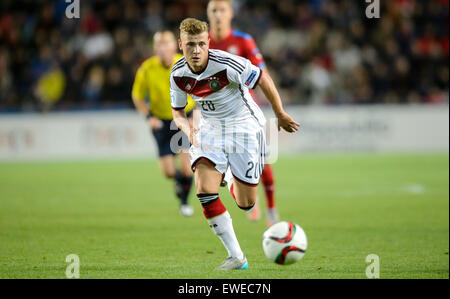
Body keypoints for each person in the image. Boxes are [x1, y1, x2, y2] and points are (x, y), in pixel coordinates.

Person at [170, 18, 299, 270]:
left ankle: (229, 174)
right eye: (189, 45)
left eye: (200, 44)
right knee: (205, 191)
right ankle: (236, 256)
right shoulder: (177, 73)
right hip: (209, 130)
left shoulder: (228, 64)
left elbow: (263, 78)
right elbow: (177, 112)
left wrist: (280, 113)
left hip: (244, 127)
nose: (195, 50)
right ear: (180, 44)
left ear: (208, 43)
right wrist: (189, 130)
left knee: (246, 203)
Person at [207, 0, 279, 226]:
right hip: (213, 116)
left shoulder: (243, 40)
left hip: (243, 114)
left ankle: (271, 208)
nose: (218, 15)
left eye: (222, 10)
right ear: (208, 14)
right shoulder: (201, 42)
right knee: (216, 164)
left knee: (262, 161)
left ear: (230, 14)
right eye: (214, 11)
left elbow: (262, 73)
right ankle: (246, 197)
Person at [132, 30, 196, 217]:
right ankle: (180, 183)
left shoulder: (185, 64)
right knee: (168, 172)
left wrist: (196, 115)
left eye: (165, 43)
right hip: (160, 120)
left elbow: (201, 90)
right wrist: (148, 117)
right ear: (154, 47)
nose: (162, 47)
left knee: (186, 167)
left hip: (183, 118)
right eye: (158, 44)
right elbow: (137, 96)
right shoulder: (146, 68)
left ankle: (184, 203)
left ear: (174, 45)